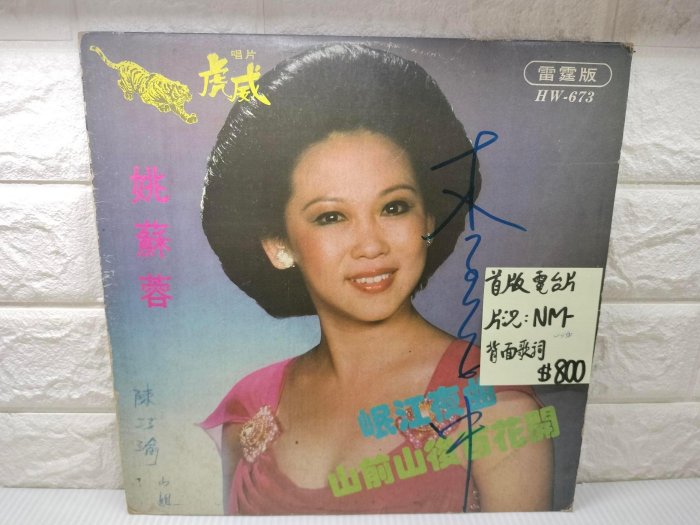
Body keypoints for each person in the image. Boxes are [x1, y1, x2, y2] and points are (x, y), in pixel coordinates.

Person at [200, 43, 552, 515]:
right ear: (278, 245)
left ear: (429, 218)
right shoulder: (249, 409)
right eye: (331, 217)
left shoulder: (494, 408)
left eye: (394, 207)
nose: (370, 245)